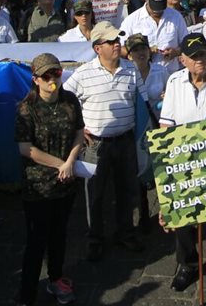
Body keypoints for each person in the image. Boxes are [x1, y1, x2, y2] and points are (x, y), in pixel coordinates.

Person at [63, 20, 145, 260]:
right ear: (98, 47)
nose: (116, 44)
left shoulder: (131, 69)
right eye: (111, 41)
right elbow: (66, 101)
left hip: (125, 140)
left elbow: (141, 101)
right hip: (95, 145)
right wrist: (78, 128)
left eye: (117, 40)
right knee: (94, 195)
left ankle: (125, 233)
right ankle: (95, 238)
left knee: (126, 190)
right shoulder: (83, 73)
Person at [158, 34, 206, 291]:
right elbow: (166, 125)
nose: (200, 60)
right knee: (185, 217)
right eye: (194, 56)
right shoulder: (175, 81)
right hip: (185, 160)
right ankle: (189, 263)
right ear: (183, 60)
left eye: (203, 54)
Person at [15, 53, 84, 306]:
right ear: (36, 80)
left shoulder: (70, 100)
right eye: (46, 76)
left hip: (66, 183)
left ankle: (56, 278)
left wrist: (71, 161)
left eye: (56, 74)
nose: (52, 80)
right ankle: (27, 294)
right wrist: (61, 164)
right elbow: (26, 149)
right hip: (39, 186)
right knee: (36, 241)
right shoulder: (27, 108)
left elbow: (78, 132)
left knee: (60, 235)